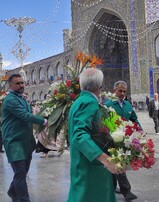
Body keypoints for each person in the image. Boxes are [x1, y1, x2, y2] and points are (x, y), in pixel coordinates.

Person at [67, 68, 121, 202]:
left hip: (82, 161)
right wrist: (105, 159)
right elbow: (79, 135)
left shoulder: (79, 101)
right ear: (99, 86)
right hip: (91, 165)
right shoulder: (89, 102)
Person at [2, 74, 47, 202]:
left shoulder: (21, 98)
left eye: (22, 83)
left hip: (25, 141)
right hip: (14, 141)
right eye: (18, 83)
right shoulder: (10, 100)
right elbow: (25, 115)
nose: (21, 85)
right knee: (20, 173)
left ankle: (12, 191)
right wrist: (43, 121)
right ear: (10, 86)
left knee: (22, 172)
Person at [105, 80, 139, 201]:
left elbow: (134, 119)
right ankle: (126, 191)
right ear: (114, 90)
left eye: (124, 91)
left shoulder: (128, 105)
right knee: (119, 163)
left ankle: (114, 186)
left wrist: (140, 131)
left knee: (117, 163)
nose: (122, 93)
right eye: (120, 91)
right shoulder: (108, 105)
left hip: (125, 139)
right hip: (111, 140)